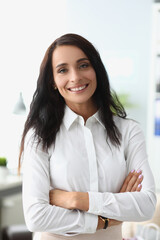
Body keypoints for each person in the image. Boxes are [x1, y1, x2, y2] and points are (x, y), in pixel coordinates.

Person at [19, 33, 156, 240]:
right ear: (53, 81)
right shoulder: (39, 135)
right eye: (63, 70)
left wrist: (76, 200)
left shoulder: (128, 131)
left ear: (96, 71)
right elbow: (36, 217)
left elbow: (145, 206)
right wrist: (107, 219)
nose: (75, 77)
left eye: (83, 65)